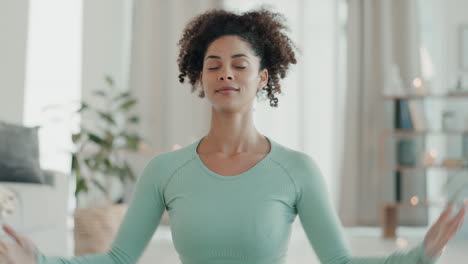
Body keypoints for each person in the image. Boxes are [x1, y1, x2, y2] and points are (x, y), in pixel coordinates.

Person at [0, 8, 465, 264]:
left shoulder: (297, 170)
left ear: (263, 78)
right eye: (213, 66)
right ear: (199, 79)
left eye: (240, 65)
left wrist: (421, 256)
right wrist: (40, 261)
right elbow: (120, 259)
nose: (226, 74)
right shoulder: (166, 170)